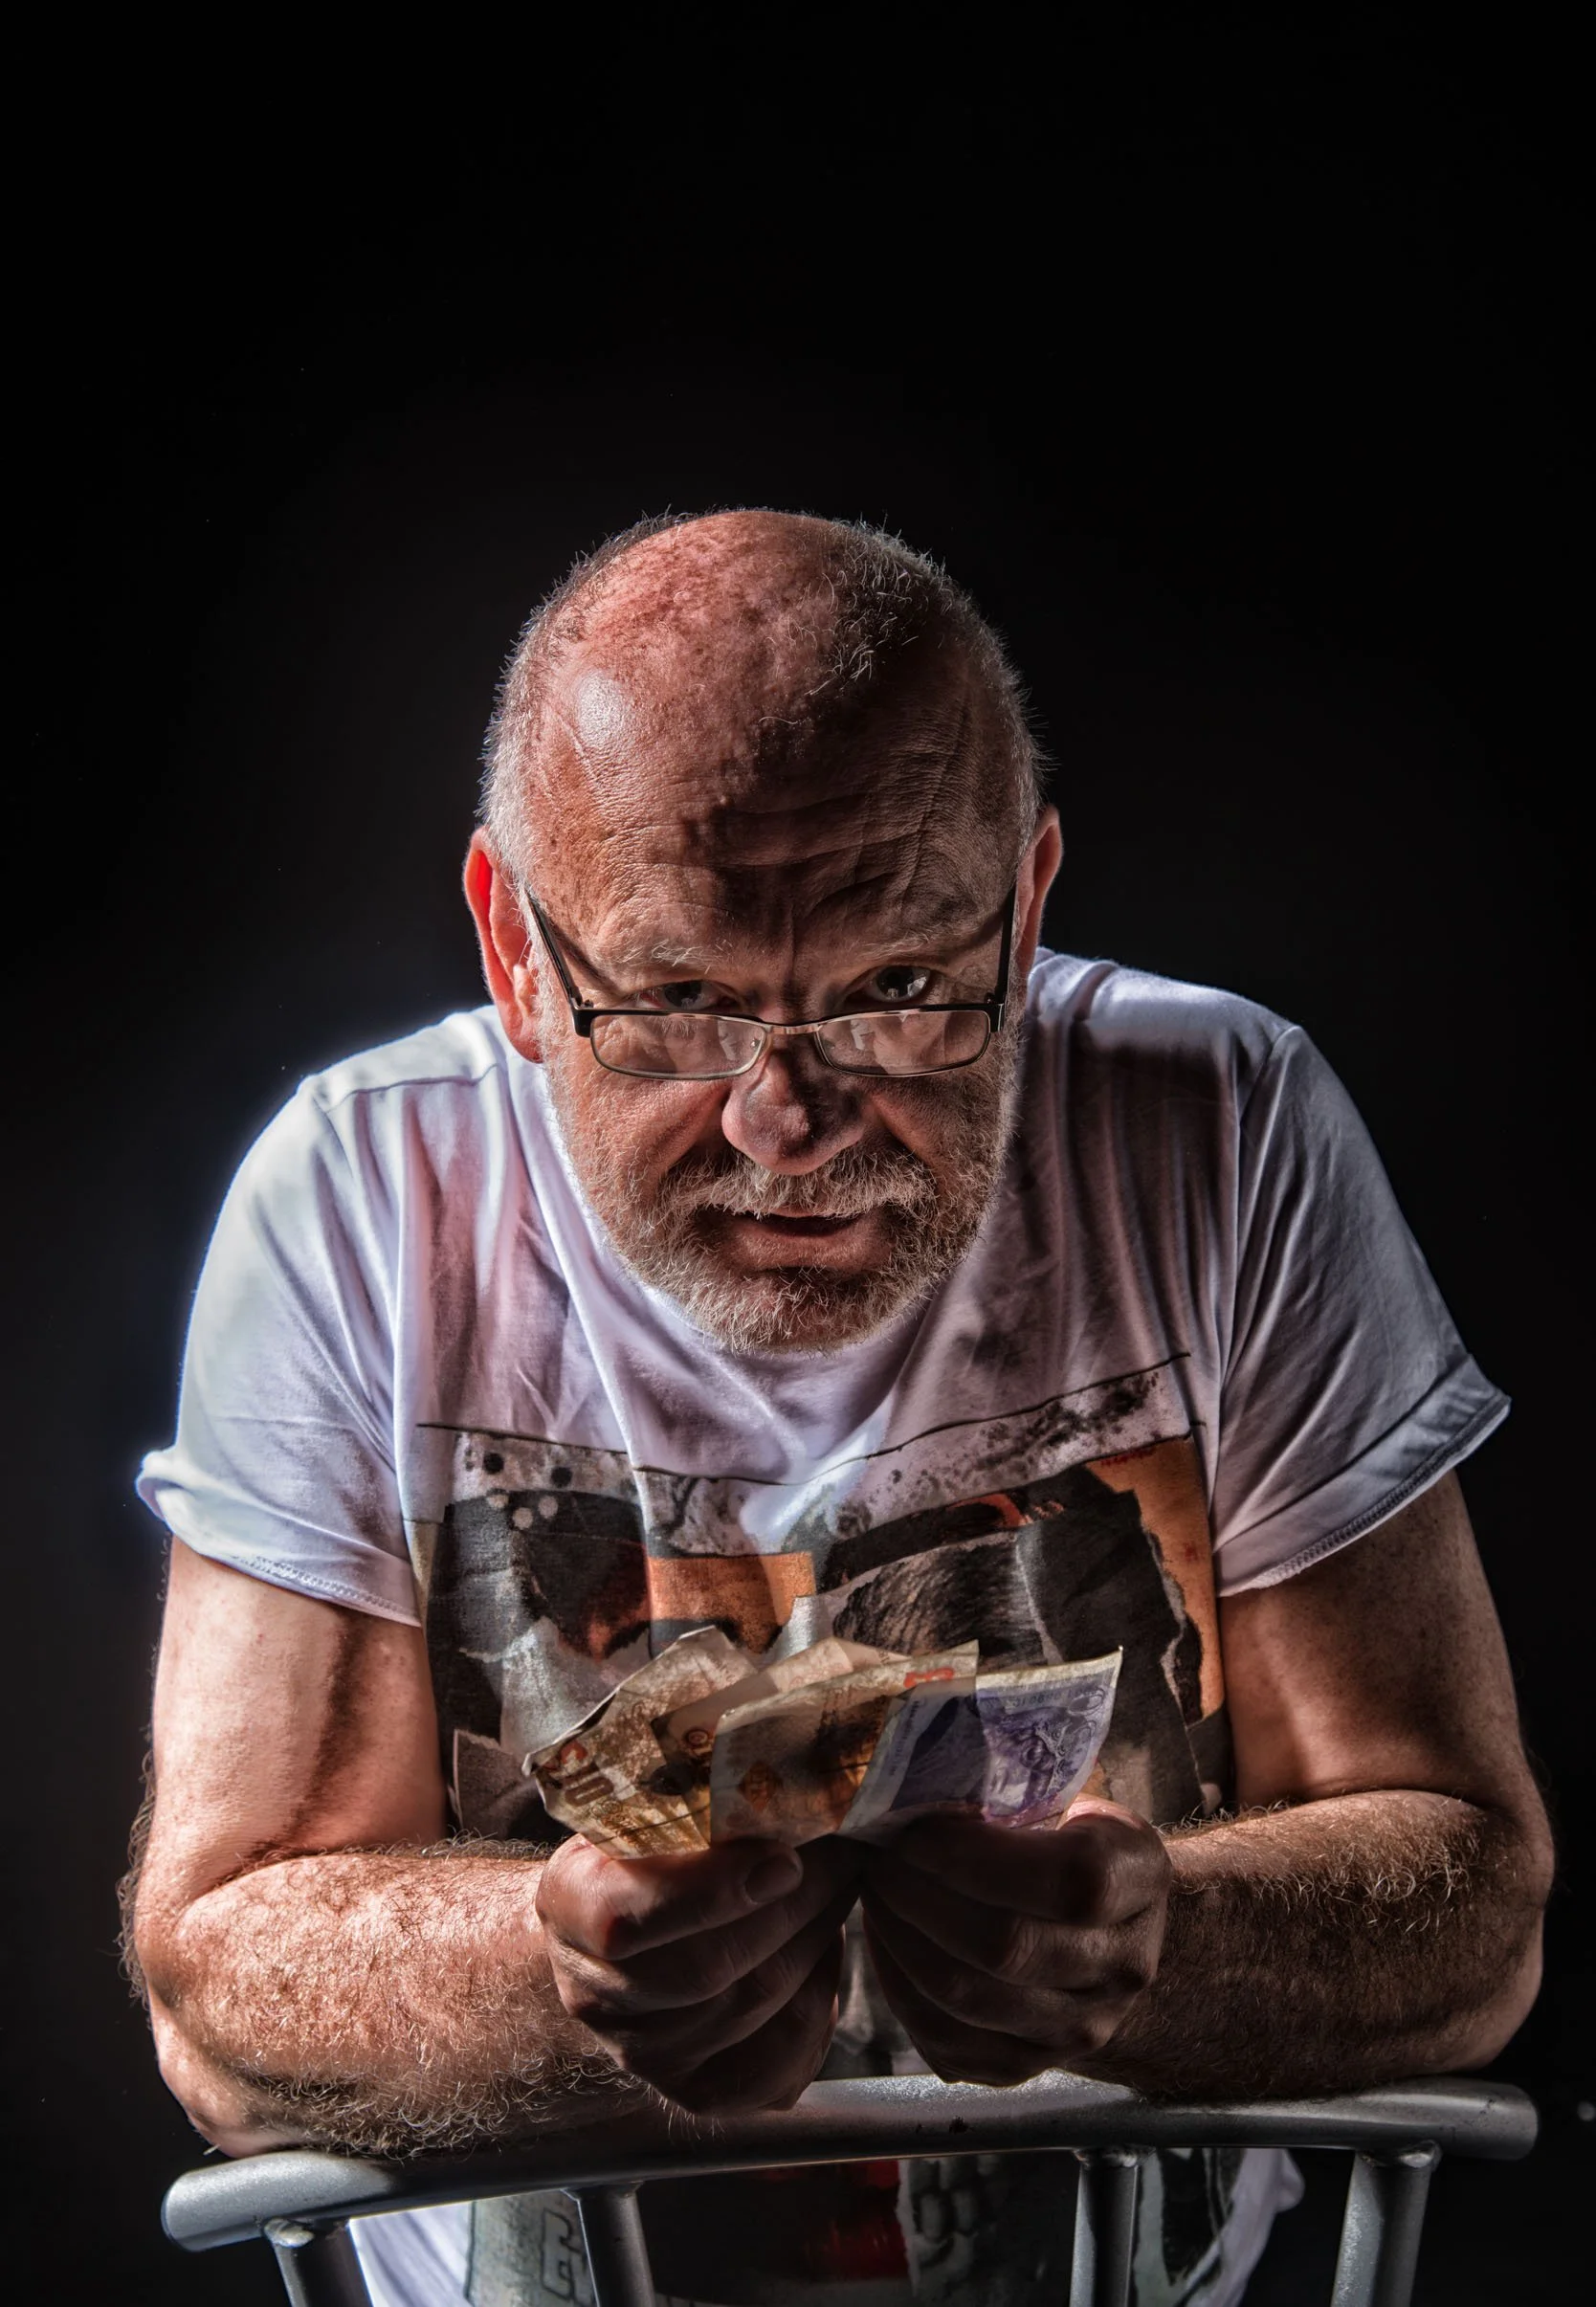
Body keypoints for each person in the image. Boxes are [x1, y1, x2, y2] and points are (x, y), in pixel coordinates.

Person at [128, 510, 1551, 2307]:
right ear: (512, 946)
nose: (784, 1123)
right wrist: (551, 1962)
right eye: (678, 1004)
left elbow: (1472, 1898)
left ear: (1027, 909)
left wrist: (1161, 1939)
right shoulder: (361, 1197)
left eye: (897, 990)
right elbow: (225, 1972)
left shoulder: (1221, 1128)